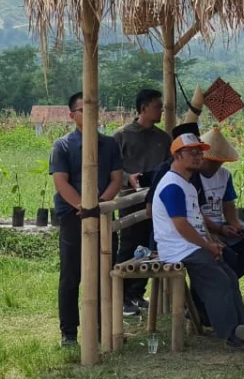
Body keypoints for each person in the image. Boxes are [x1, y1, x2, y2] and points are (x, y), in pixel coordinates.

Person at [152, 130, 244, 352]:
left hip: (191, 245)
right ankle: (230, 335)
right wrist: (208, 245)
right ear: (177, 156)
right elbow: (181, 225)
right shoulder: (172, 185)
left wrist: (212, 241)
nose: (198, 157)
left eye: (200, 153)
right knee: (217, 279)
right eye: (192, 153)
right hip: (178, 248)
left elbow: (197, 220)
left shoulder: (187, 184)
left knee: (228, 275)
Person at [50, 92, 123, 347]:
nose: (91, 114)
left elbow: (116, 178)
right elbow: (61, 182)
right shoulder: (62, 146)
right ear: (72, 116)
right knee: (71, 274)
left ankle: (104, 327)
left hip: (102, 214)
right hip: (73, 215)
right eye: (84, 110)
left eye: (94, 109)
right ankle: (69, 333)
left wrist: (100, 204)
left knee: (107, 271)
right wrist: (83, 206)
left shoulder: (110, 144)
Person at [114, 88, 172, 316]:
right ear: (143, 108)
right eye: (158, 106)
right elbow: (113, 168)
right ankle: (121, 295)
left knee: (150, 245)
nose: (161, 110)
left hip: (156, 200)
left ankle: (137, 292)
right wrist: (129, 177)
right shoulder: (122, 135)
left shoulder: (163, 138)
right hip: (130, 199)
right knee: (128, 245)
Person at [195, 127, 244, 278]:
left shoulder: (224, 175)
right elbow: (194, 213)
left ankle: (226, 281)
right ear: (202, 157)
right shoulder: (192, 176)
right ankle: (222, 283)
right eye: (213, 162)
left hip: (220, 227)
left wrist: (235, 226)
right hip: (201, 229)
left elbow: (228, 206)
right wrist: (218, 230)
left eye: (220, 162)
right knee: (228, 258)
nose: (217, 167)